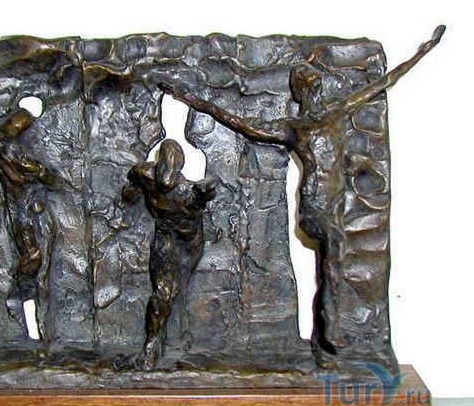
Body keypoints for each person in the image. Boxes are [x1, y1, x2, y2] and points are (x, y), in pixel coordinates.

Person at [160, 26, 444, 363]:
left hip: (331, 204)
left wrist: (423, 51)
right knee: (335, 253)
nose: (313, 93)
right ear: (302, 95)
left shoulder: (333, 114)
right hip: (315, 205)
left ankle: (328, 339)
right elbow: (240, 122)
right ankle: (331, 334)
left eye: (313, 86)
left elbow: (383, 82)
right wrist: (193, 100)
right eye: (307, 88)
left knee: (332, 262)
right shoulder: (299, 127)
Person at [121, 139, 218, 369]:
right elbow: (132, 183)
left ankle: (177, 334)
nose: (165, 180)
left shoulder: (190, 193)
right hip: (165, 239)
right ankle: (152, 344)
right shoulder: (144, 174)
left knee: (179, 290)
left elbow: (209, 188)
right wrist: (131, 194)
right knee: (163, 292)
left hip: (189, 244)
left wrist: (206, 188)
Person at [0, 108, 62, 349]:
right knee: (34, 257)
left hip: (34, 208)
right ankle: (19, 294)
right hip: (23, 211)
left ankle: (39, 319)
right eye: (19, 126)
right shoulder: (7, 150)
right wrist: (46, 175)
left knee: (42, 262)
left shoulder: (7, 148)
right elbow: (37, 172)